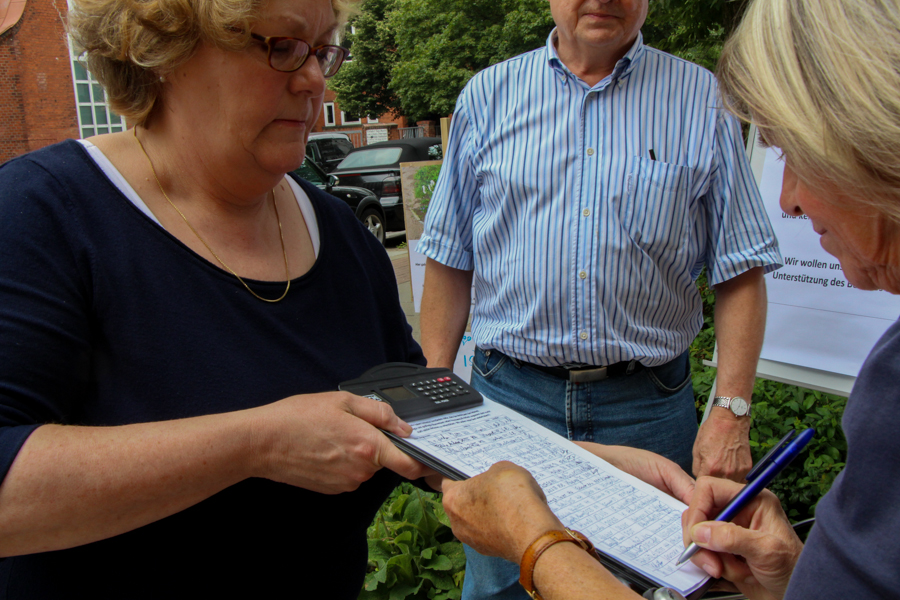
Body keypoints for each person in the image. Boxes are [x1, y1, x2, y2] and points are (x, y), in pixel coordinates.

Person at [437, 0, 900, 598]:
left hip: (648, 407)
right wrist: (438, 392)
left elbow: (740, 267)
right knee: (502, 580)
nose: (787, 199)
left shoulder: (699, 98)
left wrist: (730, 407)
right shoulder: (487, 96)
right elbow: (451, 254)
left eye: (794, 156)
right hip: (513, 397)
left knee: (662, 579)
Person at [0, 0, 431, 597]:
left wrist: (588, 468)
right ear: (162, 49)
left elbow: (423, 414)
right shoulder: (41, 215)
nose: (313, 78)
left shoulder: (342, 235)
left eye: (324, 49)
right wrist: (256, 443)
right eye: (282, 46)